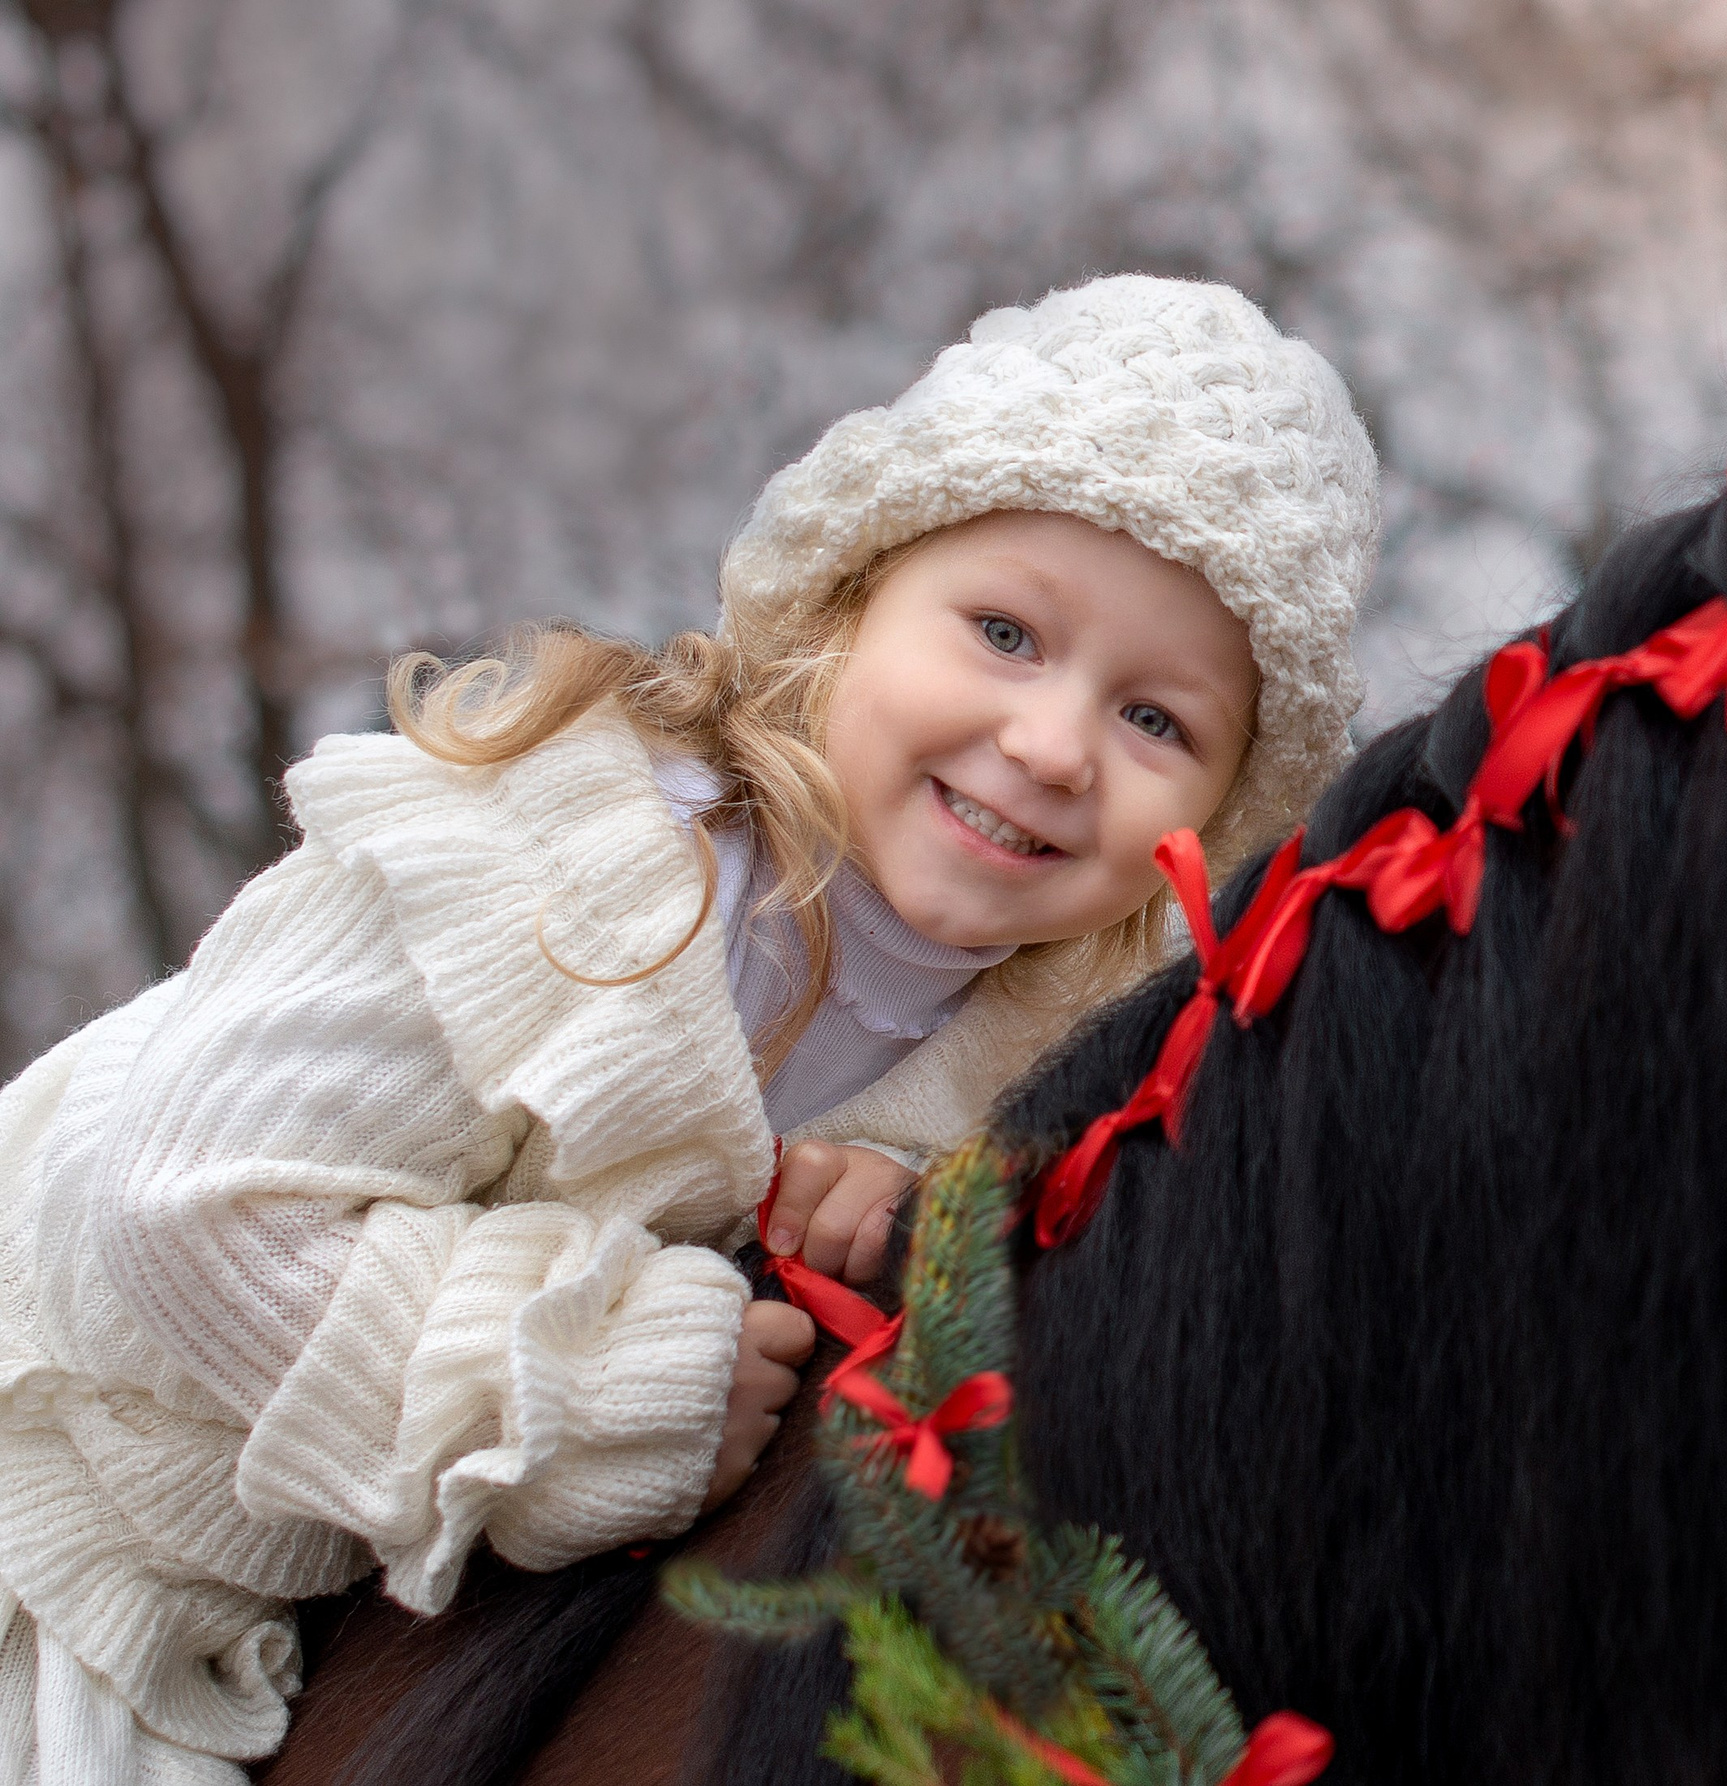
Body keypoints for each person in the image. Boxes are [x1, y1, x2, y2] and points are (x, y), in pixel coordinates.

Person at [0, 273, 1379, 1785]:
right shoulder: (581, 864)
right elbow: (177, 1207)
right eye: (1003, 630)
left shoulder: (1036, 1061)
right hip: (83, 1511)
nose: (1051, 744)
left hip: (370, 1620)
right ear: (850, 597)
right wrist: (616, 1380)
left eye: (1156, 720)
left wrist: (859, 1194)